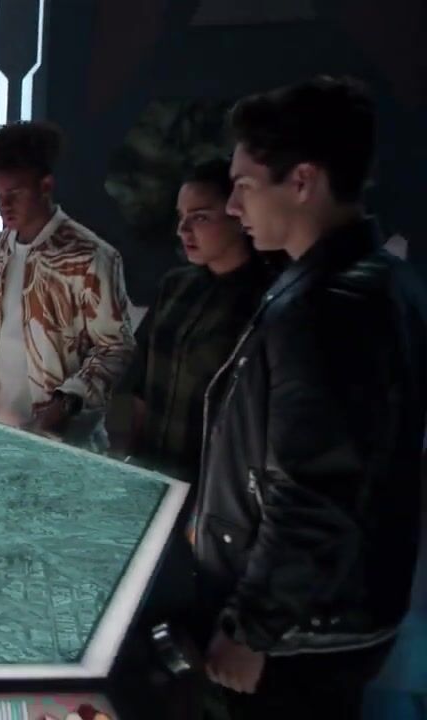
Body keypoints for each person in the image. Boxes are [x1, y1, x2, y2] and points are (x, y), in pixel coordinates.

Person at [194, 76, 426, 718]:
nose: (233, 206)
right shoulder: (373, 282)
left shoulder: (329, 305)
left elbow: (315, 492)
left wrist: (252, 628)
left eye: (244, 186)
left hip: (303, 638)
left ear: (302, 181)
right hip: (330, 618)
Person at [0, 121, 133, 450]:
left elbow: (115, 347)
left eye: (15, 194)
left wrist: (66, 403)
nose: (4, 205)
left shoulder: (90, 256)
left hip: (64, 446)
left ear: (45, 185)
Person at [125, 158, 277, 484]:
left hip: (213, 482)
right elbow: (140, 385)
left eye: (200, 217)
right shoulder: (176, 285)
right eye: (181, 217)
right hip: (151, 470)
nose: (183, 230)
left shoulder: (265, 300)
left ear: (238, 216)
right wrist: (130, 460)